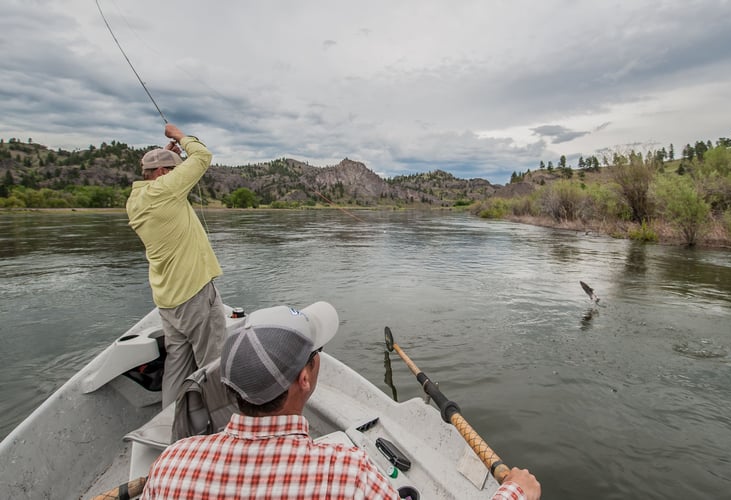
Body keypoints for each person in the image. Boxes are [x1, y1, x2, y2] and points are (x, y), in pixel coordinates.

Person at [141, 302, 541, 500]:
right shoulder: (345, 475)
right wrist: (516, 492)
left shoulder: (172, 464)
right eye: (316, 355)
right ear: (305, 378)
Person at [126, 124, 226, 408]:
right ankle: (216, 428)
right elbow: (203, 156)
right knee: (214, 365)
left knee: (177, 368)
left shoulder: (135, 200)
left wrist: (166, 156)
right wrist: (179, 136)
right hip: (193, 295)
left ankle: (170, 423)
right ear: (162, 174)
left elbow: (159, 178)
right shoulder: (164, 191)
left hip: (168, 302)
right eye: (171, 171)